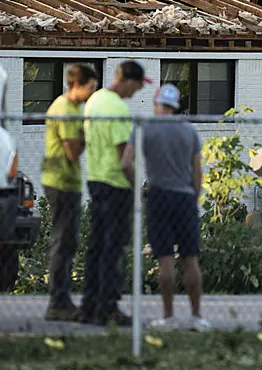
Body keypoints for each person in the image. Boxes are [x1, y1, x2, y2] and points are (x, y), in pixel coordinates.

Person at [122, 83, 210, 332]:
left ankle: (168, 317)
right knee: (190, 259)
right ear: (176, 105)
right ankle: (196, 317)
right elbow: (197, 171)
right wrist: (194, 197)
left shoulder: (145, 129)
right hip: (184, 197)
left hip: (159, 195)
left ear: (156, 104)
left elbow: (126, 163)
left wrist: (138, 189)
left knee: (165, 259)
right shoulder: (189, 131)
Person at [79, 60, 150, 326]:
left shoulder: (94, 101)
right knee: (114, 247)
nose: (137, 92)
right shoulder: (118, 108)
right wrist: (135, 188)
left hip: (95, 178)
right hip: (115, 184)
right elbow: (124, 159)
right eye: (138, 86)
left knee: (96, 246)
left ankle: (89, 305)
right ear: (129, 81)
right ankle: (108, 307)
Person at [41, 63, 98, 321]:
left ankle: (62, 299)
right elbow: (73, 151)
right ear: (77, 84)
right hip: (60, 181)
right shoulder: (65, 109)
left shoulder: (74, 108)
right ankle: (58, 301)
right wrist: (90, 131)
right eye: (91, 88)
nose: (92, 93)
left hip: (67, 181)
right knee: (63, 241)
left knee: (68, 241)